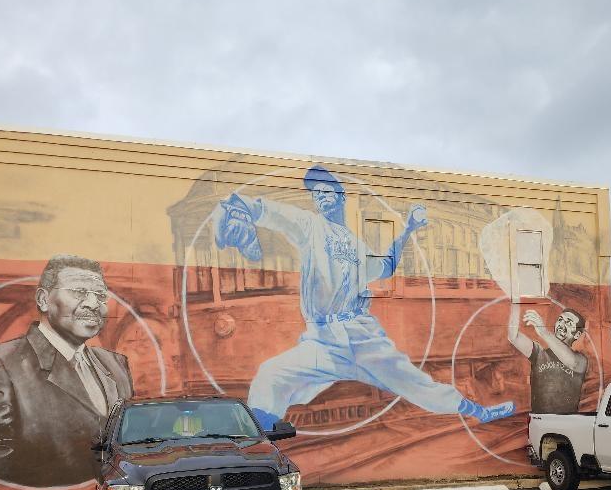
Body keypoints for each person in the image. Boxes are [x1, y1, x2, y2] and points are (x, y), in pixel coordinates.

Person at [215, 164, 515, 430]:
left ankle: (479, 411)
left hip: (363, 337)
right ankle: (258, 444)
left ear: (341, 195)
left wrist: (408, 229)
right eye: (315, 193)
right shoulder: (310, 226)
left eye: (326, 190)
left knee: (417, 384)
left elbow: (385, 266)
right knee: (271, 375)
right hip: (323, 341)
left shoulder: (358, 247)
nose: (319, 196)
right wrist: (242, 208)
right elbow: (274, 214)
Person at [0, 255, 133, 488]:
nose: (94, 304)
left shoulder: (116, 364)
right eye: (79, 292)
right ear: (43, 299)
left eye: (101, 296)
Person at [507, 302, 587, 414]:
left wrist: (543, 332)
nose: (562, 325)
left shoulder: (580, 359)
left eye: (568, 323)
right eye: (560, 320)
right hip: (540, 422)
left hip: (567, 422)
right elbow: (513, 337)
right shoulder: (539, 353)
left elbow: (572, 362)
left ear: (577, 335)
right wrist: (515, 301)